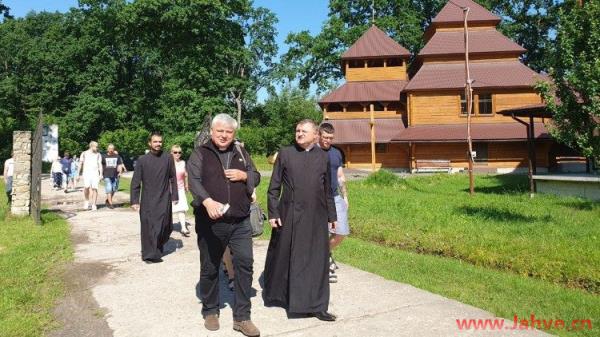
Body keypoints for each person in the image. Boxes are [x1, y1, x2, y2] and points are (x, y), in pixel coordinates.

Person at [187, 113, 261, 336]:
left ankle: (242, 317)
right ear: (212, 132)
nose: (224, 135)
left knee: (245, 264)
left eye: (229, 132)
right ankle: (210, 309)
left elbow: (256, 176)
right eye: (220, 131)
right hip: (210, 222)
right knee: (210, 266)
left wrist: (244, 175)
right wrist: (207, 201)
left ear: (234, 134)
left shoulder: (240, 151)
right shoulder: (201, 153)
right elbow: (194, 181)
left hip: (239, 220)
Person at [263, 119, 338, 322]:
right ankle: (281, 297)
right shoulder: (286, 153)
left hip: (316, 215)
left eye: (303, 131)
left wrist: (332, 216)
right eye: (297, 130)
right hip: (289, 214)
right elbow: (274, 187)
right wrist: (273, 213)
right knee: (286, 256)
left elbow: (328, 189)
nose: (299, 133)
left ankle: (318, 306)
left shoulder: (324, 157)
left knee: (316, 261)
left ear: (316, 135)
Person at [130, 132, 178, 263]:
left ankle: (157, 246)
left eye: (160, 142)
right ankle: (149, 254)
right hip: (148, 199)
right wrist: (134, 200)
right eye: (155, 142)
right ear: (149, 143)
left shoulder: (168, 158)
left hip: (164, 198)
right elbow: (135, 181)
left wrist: (175, 195)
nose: (158, 144)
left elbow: (173, 177)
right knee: (148, 227)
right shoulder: (142, 160)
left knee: (165, 226)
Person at [318, 123, 350, 283]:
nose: (328, 141)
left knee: (341, 232)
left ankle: (323, 255)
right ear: (318, 135)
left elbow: (340, 176)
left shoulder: (336, 153)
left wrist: (345, 197)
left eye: (331, 138)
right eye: (325, 137)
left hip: (335, 197)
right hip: (316, 199)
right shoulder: (312, 152)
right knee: (319, 233)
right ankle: (323, 264)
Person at [171, 145, 190, 235]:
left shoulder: (183, 162)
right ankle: (166, 227)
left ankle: (183, 228)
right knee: (168, 209)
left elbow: (185, 175)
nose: (177, 154)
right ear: (171, 153)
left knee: (181, 209)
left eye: (179, 152)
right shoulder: (168, 163)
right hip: (170, 189)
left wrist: (186, 185)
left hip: (180, 188)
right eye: (175, 152)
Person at [79, 141, 102, 211]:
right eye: (96, 146)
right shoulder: (84, 153)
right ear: (91, 146)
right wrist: (77, 174)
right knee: (86, 187)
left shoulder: (98, 154)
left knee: (95, 188)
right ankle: (86, 200)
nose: (97, 148)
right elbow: (80, 164)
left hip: (95, 173)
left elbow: (100, 165)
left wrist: (101, 174)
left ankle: (94, 204)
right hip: (86, 173)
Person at [102, 144, 123, 209]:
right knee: (109, 188)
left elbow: (119, 165)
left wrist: (120, 172)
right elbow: (101, 166)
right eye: (110, 148)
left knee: (114, 189)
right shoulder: (104, 156)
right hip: (106, 175)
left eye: (112, 148)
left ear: (114, 149)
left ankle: (108, 200)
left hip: (115, 175)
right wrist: (101, 174)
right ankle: (110, 204)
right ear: (107, 149)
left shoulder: (117, 156)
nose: (111, 150)